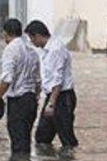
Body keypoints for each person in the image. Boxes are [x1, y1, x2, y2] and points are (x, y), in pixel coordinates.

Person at [0, 18, 41, 156]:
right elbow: (38, 81)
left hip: (18, 102)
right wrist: (35, 97)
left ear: (5, 33)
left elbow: (7, 78)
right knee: (25, 141)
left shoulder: (10, 50)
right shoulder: (32, 51)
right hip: (30, 101)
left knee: (18, 144)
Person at [26, 20, 78, 148]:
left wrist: (51, 103)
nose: (31, 42)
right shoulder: (45, 50)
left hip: (61, 97)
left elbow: (57, 80)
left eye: (31, 38)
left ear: (37, 36)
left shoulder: (55, 49)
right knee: (42, 137)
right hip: (53, 96)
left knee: (66, 137)